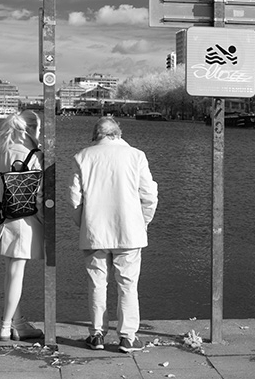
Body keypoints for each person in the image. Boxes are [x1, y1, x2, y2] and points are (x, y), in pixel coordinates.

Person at [68, 116, 158, 353]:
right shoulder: (136, 156)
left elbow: (74, 199)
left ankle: (97, 334)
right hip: (129, 231)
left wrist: (83, 224)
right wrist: (143, 222)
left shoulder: (82, 157)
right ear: (118, 133)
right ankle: (128, 337)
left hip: (94, 231)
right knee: (128, 284)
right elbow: (149, 195)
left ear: (95, 135)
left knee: (97, 283)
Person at [0, 110, 44, 342]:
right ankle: (5, 325)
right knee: (16, 272)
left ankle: (18, 323)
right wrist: (45, 221)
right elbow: (39, 196)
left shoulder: (1, 153)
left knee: (11, 273)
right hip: (26, 220)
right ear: (32, 129)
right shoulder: (34, 155)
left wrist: (1, 211)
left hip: (5, 220)